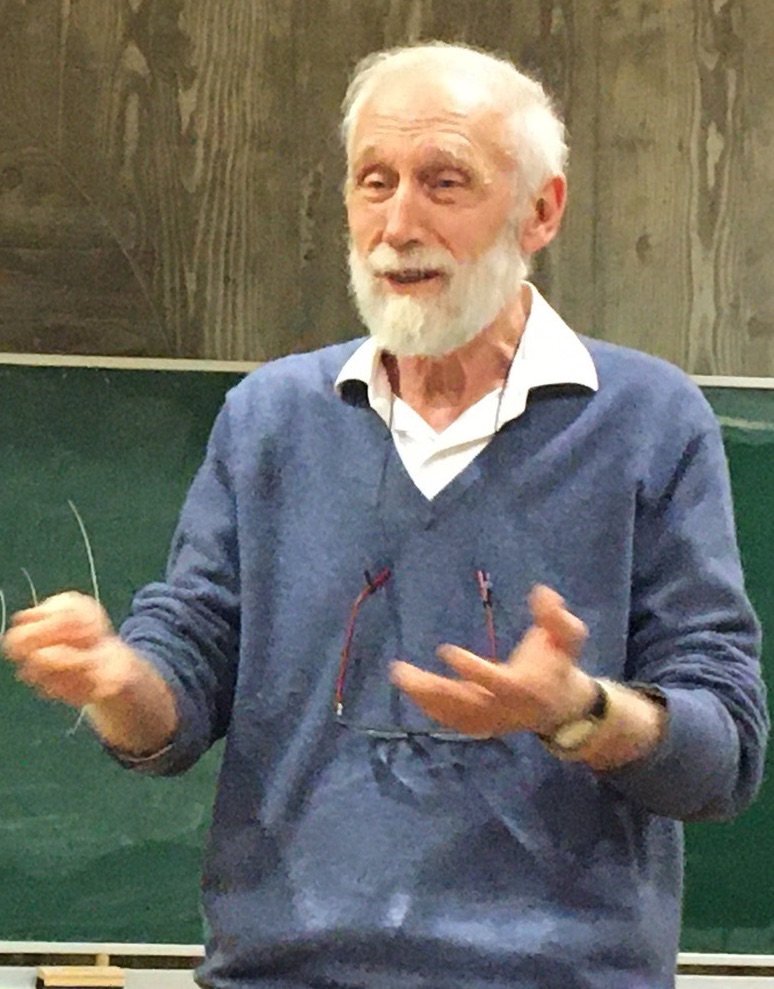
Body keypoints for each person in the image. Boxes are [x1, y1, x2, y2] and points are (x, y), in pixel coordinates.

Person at [3, 41, 768, 989]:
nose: (399, 224)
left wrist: (580, 711)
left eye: (445, 182)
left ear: (541, 210)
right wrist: (121, 681)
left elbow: (725, 755)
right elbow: (179, 692)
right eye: (375, 182)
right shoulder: (271, 419)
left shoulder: (649, 421)